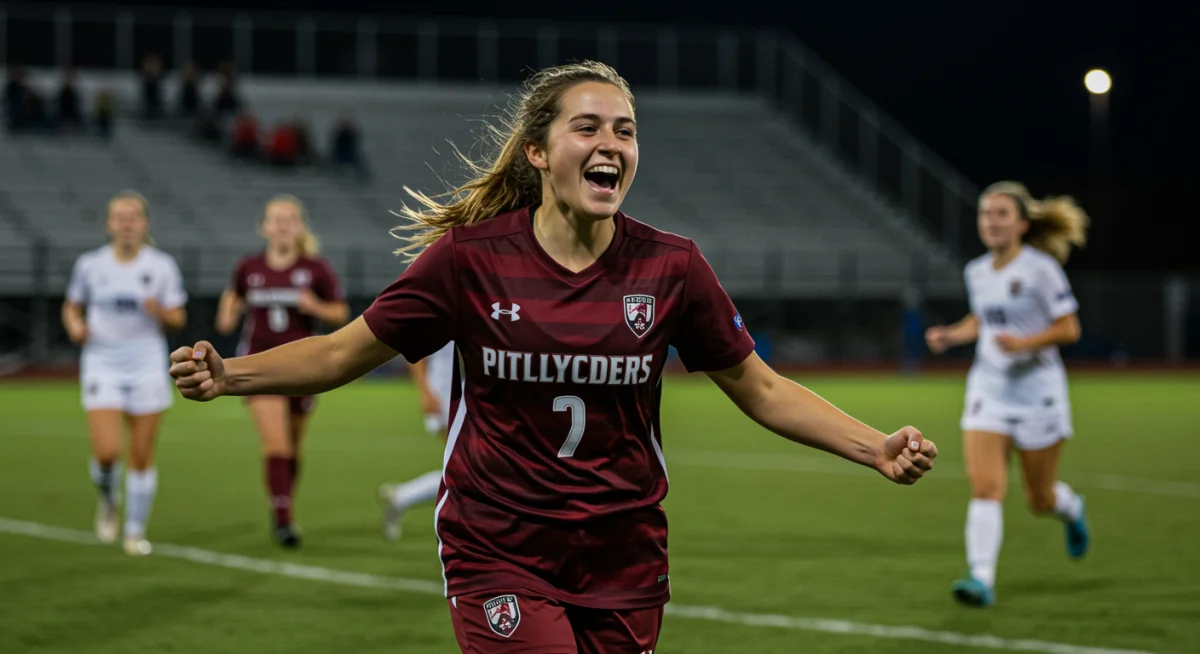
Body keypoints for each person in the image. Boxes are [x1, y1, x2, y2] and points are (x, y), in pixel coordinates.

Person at [171, 61, 937, 652]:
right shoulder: (467, 261)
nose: (612, 145)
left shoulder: (671, 267)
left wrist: (875, 446)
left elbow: (762, 388)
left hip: (625, 552)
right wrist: (229, 375)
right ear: (538, 150)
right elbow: (343, 352)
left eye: (627, 130)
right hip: (498, 542)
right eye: (590, 127)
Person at [926, 180, 1090, 608]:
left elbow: (1069, 328)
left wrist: (1026, 343)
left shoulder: (1041, 269)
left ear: (1021, 223)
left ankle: (1071, 510)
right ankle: (981, 578)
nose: (991, 222)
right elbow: (981, 319)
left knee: (1040, 498)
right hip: (989, 391)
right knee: (985, 487)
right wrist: (951, 335)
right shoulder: (976, 271)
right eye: (985, 214)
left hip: (1039, 395)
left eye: (1001, 214)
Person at [215, 194, 349, 548]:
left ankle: (283, 505)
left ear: (300, 226)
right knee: (275, 443)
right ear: (264, 227)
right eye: (276, 218)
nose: (283, 224)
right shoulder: (249, 268)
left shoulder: (316, 268)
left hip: (304, 368)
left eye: (290, 218)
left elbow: (340, 314)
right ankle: (284, 521)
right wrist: (228, 310)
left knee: (292, 449)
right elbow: (228, 310)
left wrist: (315, 305)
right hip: (259, 366)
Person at [62, 190, 187, 556]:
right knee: (106, 452)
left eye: (133, 217)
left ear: (144, 224)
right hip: (102, 360)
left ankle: (134, 530)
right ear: (108, 224)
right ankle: (108, 500)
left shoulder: (161, 265)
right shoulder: (91, 265)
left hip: (147, 361)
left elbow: (178, 316)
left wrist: (159, 311)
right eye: (119, 217)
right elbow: (72, 306)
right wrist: (74, 325)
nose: (127, 223)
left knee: (141, 454)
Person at [378, 340, 456, 540]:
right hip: (445, 395)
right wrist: (426, 392)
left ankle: (401, 497)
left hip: (470, 395)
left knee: (465, 469)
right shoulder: (447, 311)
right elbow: (414, 352)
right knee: (463, 467)